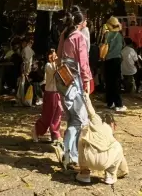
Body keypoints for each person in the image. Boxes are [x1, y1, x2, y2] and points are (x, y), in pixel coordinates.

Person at [57, 9, 92, 169]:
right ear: (81, 21)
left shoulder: (64, 35)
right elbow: (83, 62)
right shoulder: (79, 37)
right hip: (74, 79)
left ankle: (68, 152)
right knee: (80, 119)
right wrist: (87, 80)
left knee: (72, 117)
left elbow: (58, 57)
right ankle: (70, 154)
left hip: (62, 77)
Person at [76, 105, 129, 186]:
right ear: (113, 125)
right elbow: (121, 157)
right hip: (104, 162)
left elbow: (91, 112)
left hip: (88, 160)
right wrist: (124, 171)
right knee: (117, 146)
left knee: (83, 140)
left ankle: (84, 174)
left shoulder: (88, 129)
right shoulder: (109, 133)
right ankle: (110, 176)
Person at [32, 47, 63, 148]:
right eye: (52, 54)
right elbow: (54, 72)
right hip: (50, 93)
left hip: (58, 93)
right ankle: (36, 130)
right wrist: (54, 61)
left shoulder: (58, 65)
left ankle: (55, 134)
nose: (54, 56)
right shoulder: (48, 65)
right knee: (47, 116)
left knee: (57, 115)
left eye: (55, 54)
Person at [102, 17, 126, 112]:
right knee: (116, 82)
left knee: (109, 81)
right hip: (116, 59)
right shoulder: (119, 36)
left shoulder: (107, 35)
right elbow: (122, 47)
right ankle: (118, 104)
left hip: (107, 60)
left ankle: (110, 102)